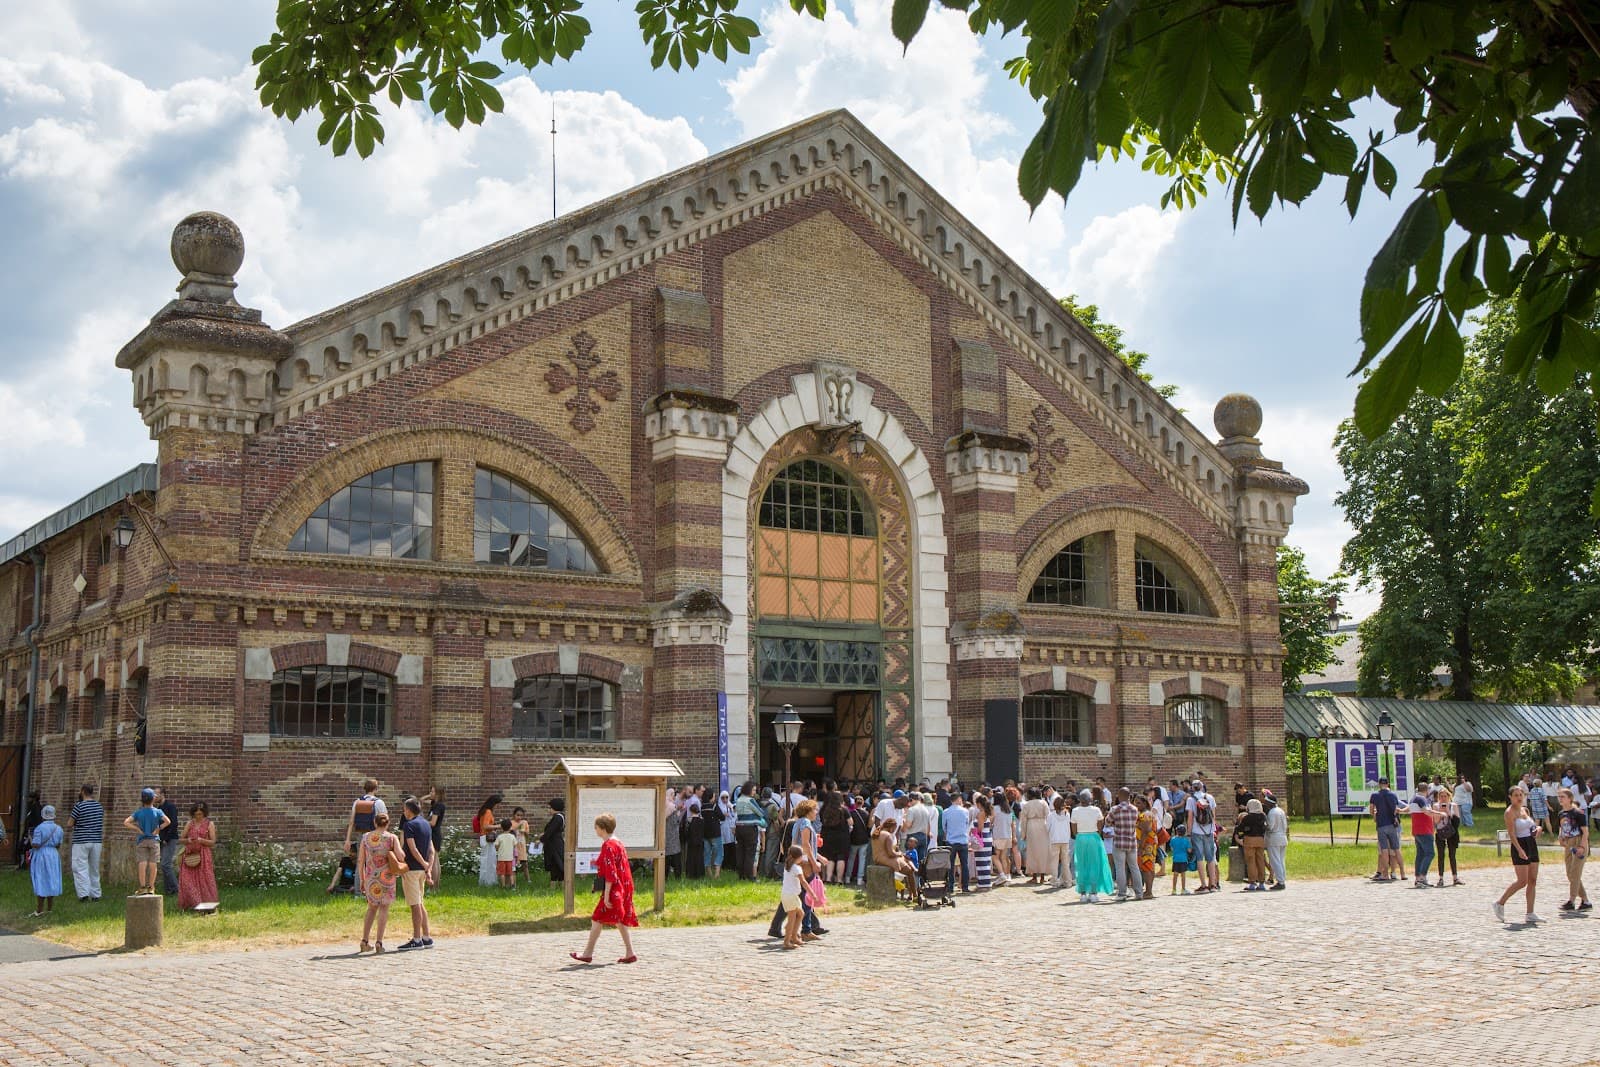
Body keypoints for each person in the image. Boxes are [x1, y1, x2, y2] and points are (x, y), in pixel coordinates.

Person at [570, 813, 638, 964]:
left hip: (614, 889)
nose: (595, 830)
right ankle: (630, 952)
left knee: (597, 918)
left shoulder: (608, 846)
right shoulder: (618, 842)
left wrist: (606, 895)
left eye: (596, 827)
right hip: (624, 886)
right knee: (619, 920)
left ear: (602, 828)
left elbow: (610, 873)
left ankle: (588, 953)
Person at [1492, 785, 1542, 924]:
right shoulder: (1509, 812)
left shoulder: (1525, 810)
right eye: (1516, 795)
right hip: (1519, 845)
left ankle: (1530, 912)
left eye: (1521, 795)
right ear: (1510, 797)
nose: (1519, 798)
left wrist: (1538, 828)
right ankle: (1500, 903)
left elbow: (1531, 826)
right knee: (1522, 881)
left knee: (1532, 880)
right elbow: (1512, 834)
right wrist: (1519, 849)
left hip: (1531, 844)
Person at [357, 811, 405, 953]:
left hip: (371, 878)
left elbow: (361, 860)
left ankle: (364, 941)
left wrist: (362, 878)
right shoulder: (391, 838)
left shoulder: (366, 837)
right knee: (384, 908)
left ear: (374, 823)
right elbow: (401, 857)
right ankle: (379, 943)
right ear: (388, 823)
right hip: (387, 877)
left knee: (371, 908)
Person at [397, 796, 436, 950]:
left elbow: (412, 849)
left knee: (415, 905)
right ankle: (426, 937)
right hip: (422, 870)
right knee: (420, 903)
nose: (404, 811)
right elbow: (431, 849)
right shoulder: (426, 824)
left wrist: (423, 863)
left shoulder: (409, 826)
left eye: (404, 809)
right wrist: (428, 867)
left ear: (409, 810)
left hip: (412, 869)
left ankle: (417, 938)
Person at [124, 787, 171, 895]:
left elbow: (126, 822)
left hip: (142, 840)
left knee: (142, 862)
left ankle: (142, 887)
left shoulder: (139, 812)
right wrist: (158, 828)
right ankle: (151, 887)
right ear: (153, 799)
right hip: (154, 840)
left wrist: (137, 829)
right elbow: (168, 821)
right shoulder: (158, 811)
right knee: (153, 863)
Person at [1071, 790, 1114, 902]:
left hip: (1081, 837)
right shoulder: (1096, 810)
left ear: (1080, 800)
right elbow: (1100, 824)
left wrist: (1080, 835)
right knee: (1094, 864)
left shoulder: (1075, 811)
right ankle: (1093, 893)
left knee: (1081, 865)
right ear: (1090, 799)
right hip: (1093, 837)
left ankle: (1083, 894)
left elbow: (1074, 828)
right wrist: (1096, 833)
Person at [65, 783, 104, 903]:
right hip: (96, 840)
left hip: (81, 840)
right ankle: (96, 894)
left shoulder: (79, 806)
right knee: (94, 867)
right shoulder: (99, 806)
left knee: (80, 867)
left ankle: (84, 894)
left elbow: (69, 824)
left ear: (82, 791)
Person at [176, 802, 218, 910]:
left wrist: (202, 840)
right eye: (196, 814)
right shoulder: (190, 823)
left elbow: (213, 842)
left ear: (204, 813)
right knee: (187, 880)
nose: (198, 816)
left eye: (200, 814)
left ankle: (207, 905)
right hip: (190, 855)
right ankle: (192, 903)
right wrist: (188, 840)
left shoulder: (209, 824)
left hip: (204, 855)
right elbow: (181, 839)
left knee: (204, 879)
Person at [1556, 786, 1591, 912]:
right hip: (1568, 843)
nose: (1560, 799)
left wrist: (1582, 846)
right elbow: (1562, 827)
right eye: (1559, 797)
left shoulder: (1578, 813)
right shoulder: (1561, 813)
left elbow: (1585, 832)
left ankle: (1571, 900)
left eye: (1563, 797)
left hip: (1578, 841)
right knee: (1570, 873)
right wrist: (1560, 836)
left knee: (1575, 873)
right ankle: (1586, 901)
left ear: (1570, 798)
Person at [870, 816, 919, 904]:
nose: (894, 831)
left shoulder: (876, 833)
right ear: (891, 827)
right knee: (909, 871)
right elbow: (890, 854)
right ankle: (914, 895)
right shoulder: (887, 835)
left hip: (877, 859)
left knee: (904, 860)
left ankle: (908, 893)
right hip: (886, 860)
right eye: (894, 829)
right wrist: (899, 854)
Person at [28, 805, 63, 917]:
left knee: (41, 878)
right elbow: (58, 844)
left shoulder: (39, 828)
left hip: (41, 854)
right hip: (53, 854)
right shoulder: (59, 829)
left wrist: (30, 839)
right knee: (52, 878)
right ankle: (50, 908)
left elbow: (36, 844)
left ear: (43, 815)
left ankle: (39, 909)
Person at [1186, 780, 1221, 894]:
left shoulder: (1191, 800)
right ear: (1202, 787)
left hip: (1197, 831)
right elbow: (1213, 815)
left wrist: (1189, 833)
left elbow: (1190, 818)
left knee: (1199, 858)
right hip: (1209, 831)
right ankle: (1213, 884)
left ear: (1193, 788)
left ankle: (1203, 885)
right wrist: (1213, 830)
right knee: (1210, 858)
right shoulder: (1210, 797)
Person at [1108, 788, 1143, 901]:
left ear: (1119, 795)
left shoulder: (1115, 809)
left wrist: (1115, 823)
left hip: (1119, 841)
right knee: (1134, 867)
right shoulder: (1135, 809)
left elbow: (1107, 822)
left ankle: (1122, 893)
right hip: (1132, 841)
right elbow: (1136, 822)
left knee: (1120, 868)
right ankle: (1139, 893)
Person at [1368, 776, 1403, 883]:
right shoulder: (1393, 795)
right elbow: (1396, 809)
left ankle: (1385, 873)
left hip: (1381, 825)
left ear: (1379, 784)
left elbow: (1371, 810)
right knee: (1395, 850)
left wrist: (1375, 816)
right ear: (1388, 784)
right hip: (1392, 825)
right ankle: (1400, 873)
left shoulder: (1375, 795)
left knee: (1383, 851)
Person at [734, 782, 767, 881]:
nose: (754, 792)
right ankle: (750, 877)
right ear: (748, 790)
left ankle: (741, 876)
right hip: (749, 829)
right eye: (753, 790)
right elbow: (761, 813)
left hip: (739, 828)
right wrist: (756, 816)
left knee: (741, 851)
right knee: (750, 852)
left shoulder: (739, 800)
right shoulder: (750, 800)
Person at [344, 777, 387, 854]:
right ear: (375, 789)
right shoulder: (379, 802)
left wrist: (348, 840)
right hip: (376, 836)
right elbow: (384, 822)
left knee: (360, 860)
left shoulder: (357, 801)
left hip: (361, 836)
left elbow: (351, 822)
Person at [1019, 787, 1051, 885]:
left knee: (1032, 851)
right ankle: (1042, 876)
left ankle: (1034, 876)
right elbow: (1049, 816)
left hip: (1031, 826)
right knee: (1043, 851)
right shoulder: (1043, 803)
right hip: (1043, 826)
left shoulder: (1027, 805)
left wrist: (1023, 834)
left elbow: (1023, 820)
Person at [779, 844, 808, 949]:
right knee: (792, 918)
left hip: (788, 895)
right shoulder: (796, 868)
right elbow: (803, 882)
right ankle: (787, 941)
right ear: (799, 857)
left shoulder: (788, 866)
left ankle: (794, 936)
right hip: (791, 896)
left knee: (800, 914)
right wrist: (812, 893)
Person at [1236, 798, 1268, 891]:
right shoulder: (1263, 816)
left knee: (1251, 861)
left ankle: (1252, 882)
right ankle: (1262, 882)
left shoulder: (1247, 817)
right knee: (1260, 860)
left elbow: (1240, 828)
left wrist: (1240, 833)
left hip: (1249, 839)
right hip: (1260, 840)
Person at [1432, 788, 1462, 887]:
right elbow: (1435, 822)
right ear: (1438, 797)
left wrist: (1449, 812)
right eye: (1441, 796)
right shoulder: (1436, 806)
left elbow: (1457, 822)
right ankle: (1441, 878)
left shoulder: (1454, 806)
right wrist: (1440, 813)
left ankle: (1455, 877)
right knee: (1441, 855)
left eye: (1445, 796)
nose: (1443, 798)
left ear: (1449, 796)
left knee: (1452, 855)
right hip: (1440, 832)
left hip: (1452, 833)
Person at [819, 788, 849, 883]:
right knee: (841, 857)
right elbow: (851, 822)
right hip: (841, 836)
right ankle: (839, 879)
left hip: (827, 835)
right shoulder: (843, 809)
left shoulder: (824, 809)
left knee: (830, 857)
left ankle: (828, 878)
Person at [154, 786, 180, 896]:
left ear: (163, 794)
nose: (155, 796)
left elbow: (173, 823)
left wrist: (167, 838)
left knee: (166, 864)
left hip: (170, 839)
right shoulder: (158, 808)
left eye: (157, 794)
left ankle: (177, 889)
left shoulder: (170, 807)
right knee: (164, 865)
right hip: (161, 839)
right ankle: (169, 891)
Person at [1407, 791, 1436, 889]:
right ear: (1427, 790)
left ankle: (1418, 878)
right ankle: (1422, 877)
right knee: (1430, 853)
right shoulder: (1421, 799)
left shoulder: (1413, 799)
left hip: (1417, 830)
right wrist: (1439, 813)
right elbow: (1426, 811)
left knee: (1420, 854)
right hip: (1424, 831)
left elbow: (1407, 810)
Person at [1045, 794, 1075, 888]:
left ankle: (1054, 881)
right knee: (1066, 862)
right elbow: (1068, 827)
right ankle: (1068, 881)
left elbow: (1047, 828)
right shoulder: (1067, 814)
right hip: (1065, 839)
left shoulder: (1051, 815)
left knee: (1054, 861)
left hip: (1054, 840)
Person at [473, 794, 502, 887]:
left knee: (487, 860)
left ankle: (486, 881)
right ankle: (488, 882)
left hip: (484, 838)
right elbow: (485, 826)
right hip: (487, 838)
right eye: (497, 804)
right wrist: (498, 826)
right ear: (494, 803)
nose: (498, 807)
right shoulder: (488, 812)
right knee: (489, 861)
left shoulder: (484, 811)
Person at [1263, 794, 1288, 892]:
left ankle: (1280, 882)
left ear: (1270, 803)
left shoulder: (1272, 813)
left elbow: (1270, 826)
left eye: (1266, 802)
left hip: (1274, 838)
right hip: (1283, 836)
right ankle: (1282, 879)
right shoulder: (1281, 811)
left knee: (1275, 861)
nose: (1265, 804)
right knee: (1281, 860)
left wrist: (1264, 825)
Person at [846, 794, 872, 886]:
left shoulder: (851, 813)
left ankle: (847, 878)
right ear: (863, 803)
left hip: (853, 839)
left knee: (851, 859)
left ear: (855, 803)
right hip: (864, 839)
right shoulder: (866, 814)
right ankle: (859, 879)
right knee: (862, 859)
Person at [1135, 796, 1158, 900]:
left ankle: (1148, 891)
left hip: (1147, 844)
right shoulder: (1148, 814)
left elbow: (1146, 830)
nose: (1137, 805)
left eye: (1139, 803)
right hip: (1151, 843)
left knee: (1146, 867)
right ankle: (1149, 890)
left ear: (1145, 803)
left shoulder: (1145, 815)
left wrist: (1140, 845)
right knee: (1149, 866)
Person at [990, 789, 1015, 886]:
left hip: (998, 835)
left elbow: (991, 821)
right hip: (1007, 835)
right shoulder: (1009, 810)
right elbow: (1012, 824)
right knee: (1004, 857)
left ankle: (1002, 875)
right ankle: (1007, 875)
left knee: (995, 857)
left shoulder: (994, 809)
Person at [541, 797, 566, 886]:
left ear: (554, 808)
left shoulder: (557, 818)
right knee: (557, 864)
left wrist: (541, 838)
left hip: (554, 844)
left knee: (556, 864)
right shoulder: (561, 817)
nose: (549, 810)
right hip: (557, 843)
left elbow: (550, 831)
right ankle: (559, 884)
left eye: (550, 808)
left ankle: (555, 885)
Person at [971, 792, 994, 890]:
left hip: (982, 837)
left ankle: (983, 883)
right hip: (987, 836)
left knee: (982, 861)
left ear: (979, 804)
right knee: (986, 861)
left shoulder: (981, 814)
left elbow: (979, 829)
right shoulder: (988, 812)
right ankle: (985, 882)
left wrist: (977, 841)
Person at [1169, 824, 1192, 895]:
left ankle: (1174, 890)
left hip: (1175, 859)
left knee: (1175, 875)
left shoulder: (1173, 839)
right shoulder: (1186, 840)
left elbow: (1172, 849)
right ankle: (1183, 889)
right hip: (1183, 860)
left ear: (1177, 831)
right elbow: (1189, 850)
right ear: (1184, 832)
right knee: (1183, 875)